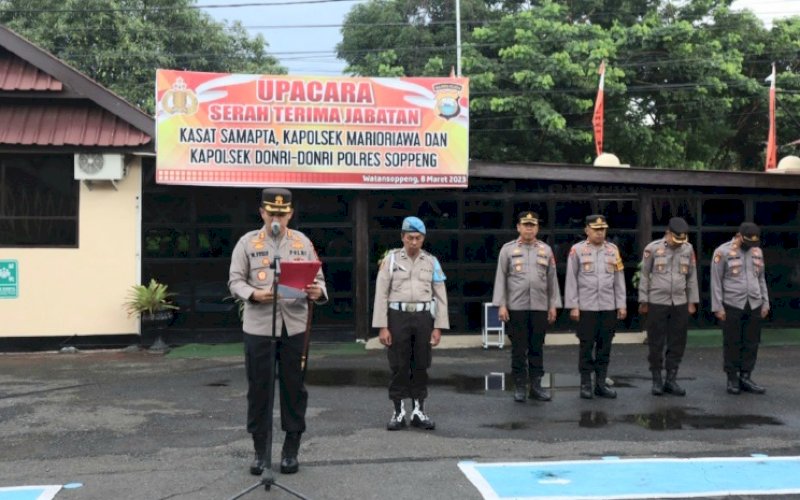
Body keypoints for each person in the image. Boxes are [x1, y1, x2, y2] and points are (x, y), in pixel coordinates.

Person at [228, 188, 327, 476]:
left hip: (294, 325)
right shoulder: (247, 243)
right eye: (272, 213)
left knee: (294, 389)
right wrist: (253, 294)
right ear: (262, 213)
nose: (277, 218)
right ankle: (261, 452)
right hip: (259, 326)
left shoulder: (302, 242)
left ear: (291, 214)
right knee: (259, 389)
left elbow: (319, 279)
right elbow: (234, 281)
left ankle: (290, 450)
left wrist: (317, 290)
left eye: (283, 214)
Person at [372, 216, 449, 431]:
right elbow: (381, 294)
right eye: (409, 238)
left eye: (417, 238)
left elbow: (440, 295)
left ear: (423, 239)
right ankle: (398, 411)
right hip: (398, 317)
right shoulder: (391, 260)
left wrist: (438, 326)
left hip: (424, 317)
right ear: (402, 237)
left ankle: (418, 410)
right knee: (398, 364)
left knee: (421, 363)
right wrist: (382, 325)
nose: (413, 242)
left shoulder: (431, 261)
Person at [492, 211, 562, 402]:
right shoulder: (507, 250)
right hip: (516, 307)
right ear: (518, 227)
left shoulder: (546, 250)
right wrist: (502, 305)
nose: (529, 228)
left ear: (537, 228)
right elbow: (501, 278)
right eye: (525, 225)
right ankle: (520, 386)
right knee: (518, 348)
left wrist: (553, 305)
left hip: (539, 307)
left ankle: (536, 386)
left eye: (533, 225)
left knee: (536, 347)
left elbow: (551, 280)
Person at [564, 214, 627, 399]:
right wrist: (573, 305)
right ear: (587, 230)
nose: (600, 233)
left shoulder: (613, 250)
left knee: (604, 346)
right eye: (596, 229)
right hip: (586, 307)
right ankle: (585, 383)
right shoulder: (577, 250)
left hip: (607, 306)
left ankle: (600, 383)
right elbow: (571, 279)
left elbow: (618, 279)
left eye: (603, 229)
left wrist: (621, 304)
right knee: (586, 346)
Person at [638, 217, 699, 396]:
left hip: (679, 302)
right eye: (675, 239)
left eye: (682, 240)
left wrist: (692, 301)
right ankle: (657, 380)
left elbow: (692, 277)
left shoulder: (688, 249)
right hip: (657, 302)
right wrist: (643, 300)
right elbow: (644, 276)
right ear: (668, 233)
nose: (678, 243)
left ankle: (671, 379)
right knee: (656, 343)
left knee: (677, 342)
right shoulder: (653, 248)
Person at [710, 222, 769, 395]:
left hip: (754, 303)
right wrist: (717, 307)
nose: (751, 245)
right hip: (732, 303)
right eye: (747, 241)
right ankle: (732, 378)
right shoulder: (722, 252)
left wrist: (765, 302)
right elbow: (716, 281)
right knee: (732, 342)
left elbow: (761, 278)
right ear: (739, 235)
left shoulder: (757, 251)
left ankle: (746, 377)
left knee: (751, 342)